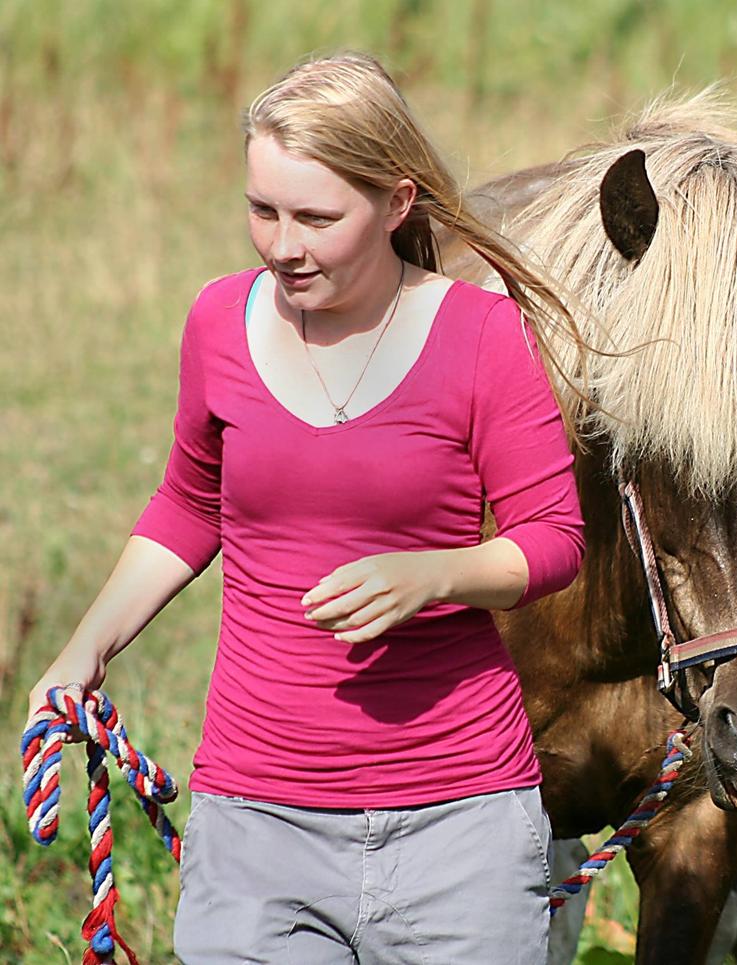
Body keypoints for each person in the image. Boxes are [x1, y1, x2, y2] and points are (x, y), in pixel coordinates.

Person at [26, 51, 587, 964]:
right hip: (255, 826)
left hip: (459, 828)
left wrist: (436, 573)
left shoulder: (485, 336)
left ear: (398, 202)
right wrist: (81, 650)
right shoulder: (219, 322)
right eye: (263, 210)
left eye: (317, 217)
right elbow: (186, 504)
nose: (283, 244)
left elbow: (556, 541)